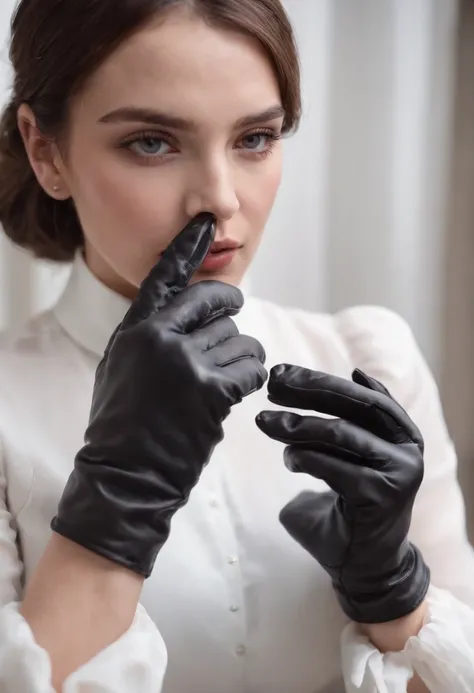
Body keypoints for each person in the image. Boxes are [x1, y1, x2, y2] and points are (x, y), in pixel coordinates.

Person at [0, 0, 473, 691]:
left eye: (254, 138)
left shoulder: (372, 360)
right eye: (151, 142)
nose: (219, 199)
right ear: (46, 152)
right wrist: (112, 508)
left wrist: (395, 595)